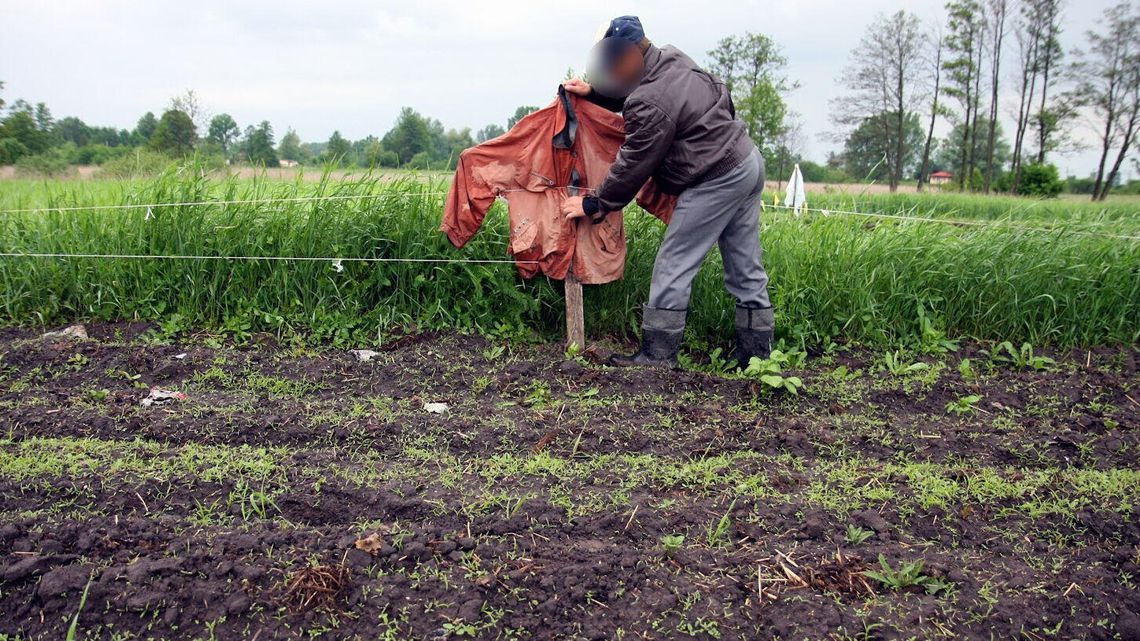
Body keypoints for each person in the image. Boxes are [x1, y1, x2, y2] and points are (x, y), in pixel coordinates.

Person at [560, 15, 774, 369]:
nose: (611, 69)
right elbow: (655, 96)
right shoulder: (672, 58)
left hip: (716, 177)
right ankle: (759, 356)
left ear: (632, 52)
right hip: (746, 161)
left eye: (614, 60)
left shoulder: (649, 99)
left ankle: (657, 356)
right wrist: (596, 95)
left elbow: (633, 163)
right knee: (745, 265)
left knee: (674, 262)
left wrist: (595, 202)